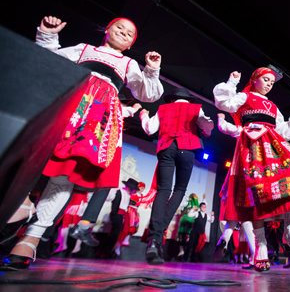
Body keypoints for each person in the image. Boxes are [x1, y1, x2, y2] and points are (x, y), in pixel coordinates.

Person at [1, 15, 164, 270]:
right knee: (35, 156)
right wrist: (48, 34)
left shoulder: (129, 63)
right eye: (119, 27)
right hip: (69, 104)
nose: (123, 32)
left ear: (131, 44)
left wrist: (151, 69)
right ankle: (23, 204)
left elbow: (147, 93)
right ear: (106, 29)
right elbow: (49, 60)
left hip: (97, 118)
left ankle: (32, 237)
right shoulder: (84, 49)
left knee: (65, 175)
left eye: (129, 33)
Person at [213, 66, 290, 272]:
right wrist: (231, 83)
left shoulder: (272, 106)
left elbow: (283, 131)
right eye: (266, 80)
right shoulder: (244, 96)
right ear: (254, 79)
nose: (269, 85)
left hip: (274, 144)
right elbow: (223, 103)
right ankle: (260, 249)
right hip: (253, 144)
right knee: (256, 191)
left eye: (272, 83)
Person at [140, 87, 214, 264]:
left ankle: (154, 239)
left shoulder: (163, 109)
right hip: (186, 149)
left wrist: (143, 115)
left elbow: (150, 129)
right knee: (180, 189)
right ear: (188, 99)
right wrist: (206, 128)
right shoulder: (196, 108)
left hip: (166, 147)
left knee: (163, 189)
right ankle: (159, 234)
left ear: (173, 99)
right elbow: (207, 126)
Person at [68, 103, 143, 248]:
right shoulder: (113, 105)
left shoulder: (103, 106)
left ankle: (81, 227)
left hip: (90, 141)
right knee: (104, 183)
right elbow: (127, 111)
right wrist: (136, 108)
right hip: (100, 146)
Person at [213, 113, 256, 269]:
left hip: (236, 174)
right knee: (246, 219)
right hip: (251, 175)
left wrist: (221, 119)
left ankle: (224, 238)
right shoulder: (260, 132)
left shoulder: (242, 130)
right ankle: (255, 256)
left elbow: (226, 128)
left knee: (235, 216)